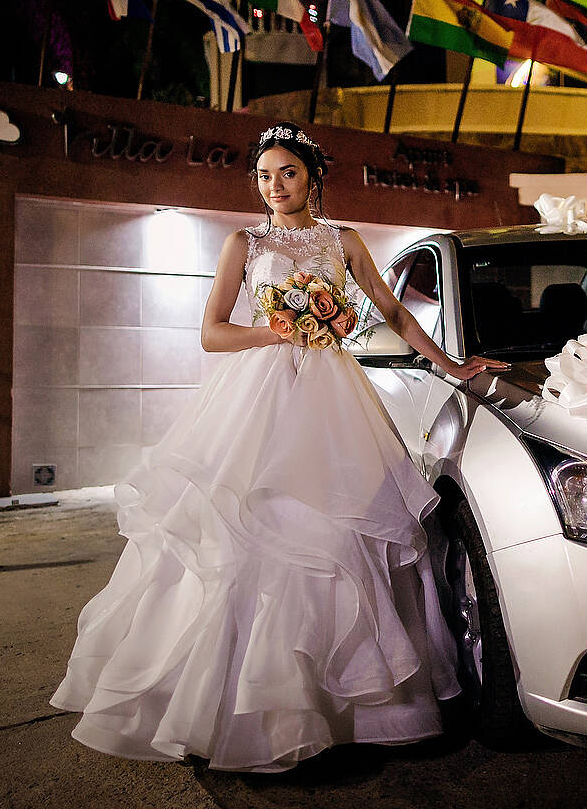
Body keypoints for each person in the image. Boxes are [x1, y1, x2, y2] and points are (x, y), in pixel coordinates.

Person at [50, 122, 507, 772]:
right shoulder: (245, 241)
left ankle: (347, 709)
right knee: (250, 528)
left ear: (312, 177)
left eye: (287, 172)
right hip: (258, 396)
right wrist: (281, 330)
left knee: (342, 530)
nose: (275, 186)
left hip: (333, 398)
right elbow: (212, 334)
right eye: (264, 175)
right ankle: (236, 707)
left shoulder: (343, 241)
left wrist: (452, 365)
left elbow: (393, 313)